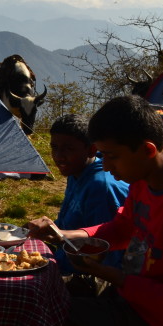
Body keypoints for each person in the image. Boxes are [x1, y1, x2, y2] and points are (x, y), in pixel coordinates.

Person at [28, 95, 163, 326]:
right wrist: (66, 235)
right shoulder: (146, 179)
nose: (106, 167)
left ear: (147, 150)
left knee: (31, 319)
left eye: (111, 156)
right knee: (30, 294)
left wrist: (117, 278)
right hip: (130, 297)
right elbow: (121, 228)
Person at [48, 114, 128, 277]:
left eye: (68, 149)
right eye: (54, 147)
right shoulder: (76, 170)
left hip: (85, 276)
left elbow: (105, 252)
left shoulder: (101, 187)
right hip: (63, 258)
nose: (58, 156)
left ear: (91, 149)